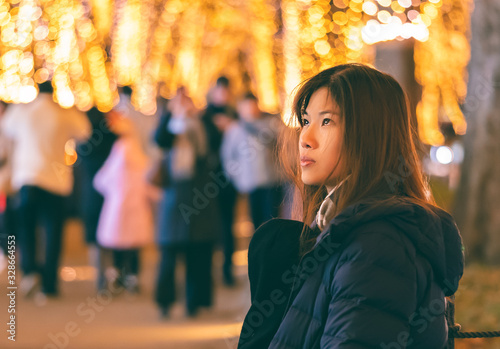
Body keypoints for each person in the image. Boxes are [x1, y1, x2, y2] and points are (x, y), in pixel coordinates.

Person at [238, 64, 464, 348]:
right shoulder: (342, 230)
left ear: (368, 133)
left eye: (327, 122)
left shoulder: (376, 245)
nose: (305, 140)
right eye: (306, 121)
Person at [0, 81, 91, 297]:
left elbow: (6, 128)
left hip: (27, 178)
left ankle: (30, 271)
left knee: (27, 229)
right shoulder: (62, 113)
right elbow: (84, 132)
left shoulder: (23, 112)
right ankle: (50, 284)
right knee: (53, 232)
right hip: (56, 181)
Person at [154, 87, 220, 318]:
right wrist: (171, 114)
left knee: (198, 251)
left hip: (199, 194)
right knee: (169, 252)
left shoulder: (201, 123)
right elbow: (160, 139)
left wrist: (197, 117)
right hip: (174, 195)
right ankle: (165, 301)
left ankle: (195, 302)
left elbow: (211, 145)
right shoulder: (170, 124)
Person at [93, 110, 158, 293]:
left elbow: (101, 180)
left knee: (118, 245)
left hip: (118, 206)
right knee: (133, 245)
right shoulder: (138, 153)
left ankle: (119, 277)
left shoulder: (119, 150)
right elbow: (149, 181)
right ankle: (132, 277)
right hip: (136, 206)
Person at [221, 92, 284, 230]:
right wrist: (237, 180)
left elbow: (284, 149)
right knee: (256, 224)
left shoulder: (272, 124)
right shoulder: (235, 130)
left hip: (272, 182)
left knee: (273, 222)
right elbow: (228, 157)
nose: (250, 109)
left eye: (252, 105)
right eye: (246, 106)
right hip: (250, 184)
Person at [201, 76, 239, 285]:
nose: (223, 94)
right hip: (209, 178)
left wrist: (233, 127)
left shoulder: (235, 115)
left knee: (227, 224)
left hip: (229, 179)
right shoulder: (205, 116)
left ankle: (227, 271)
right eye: (220, 90)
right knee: (210, 226)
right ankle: (209, 273)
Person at [76, 107, 117, 291]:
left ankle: (101, 278)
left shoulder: (83, 143)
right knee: (114, 235)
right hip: (113, 195)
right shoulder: (114, 140)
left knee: (94, 237)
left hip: (90, 194)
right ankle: (116, 275)